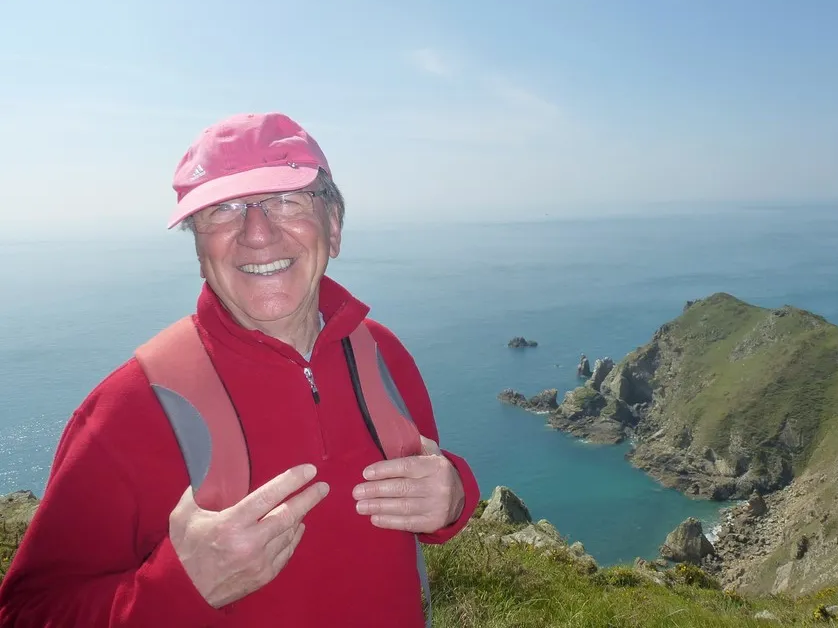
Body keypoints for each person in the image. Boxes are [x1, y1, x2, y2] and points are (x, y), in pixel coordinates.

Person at [0, 112, 481, 627]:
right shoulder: (129, 408)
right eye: (222, 209)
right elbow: (24, 613)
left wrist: (455, 496)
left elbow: (430, 486)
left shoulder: (383, 355)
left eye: (287, 200)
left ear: (334, 225)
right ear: (198, 245)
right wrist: (177, 588)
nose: (257, 233)